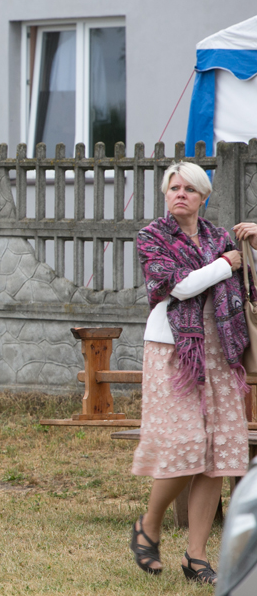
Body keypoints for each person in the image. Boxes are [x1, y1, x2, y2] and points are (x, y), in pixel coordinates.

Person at [131, 161, 252, 586]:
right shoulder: (152, 237)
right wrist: (225, 264)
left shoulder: (221, 237)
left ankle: (196, 557)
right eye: (173, 188)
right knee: (186, 443)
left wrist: (254, 248)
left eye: (189, 189)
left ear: (203, 196)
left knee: (216, 456)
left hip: (221, 351)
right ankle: (149, 523)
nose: (179, 194)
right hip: (174, 351)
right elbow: (177, 285)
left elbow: (250, 285)